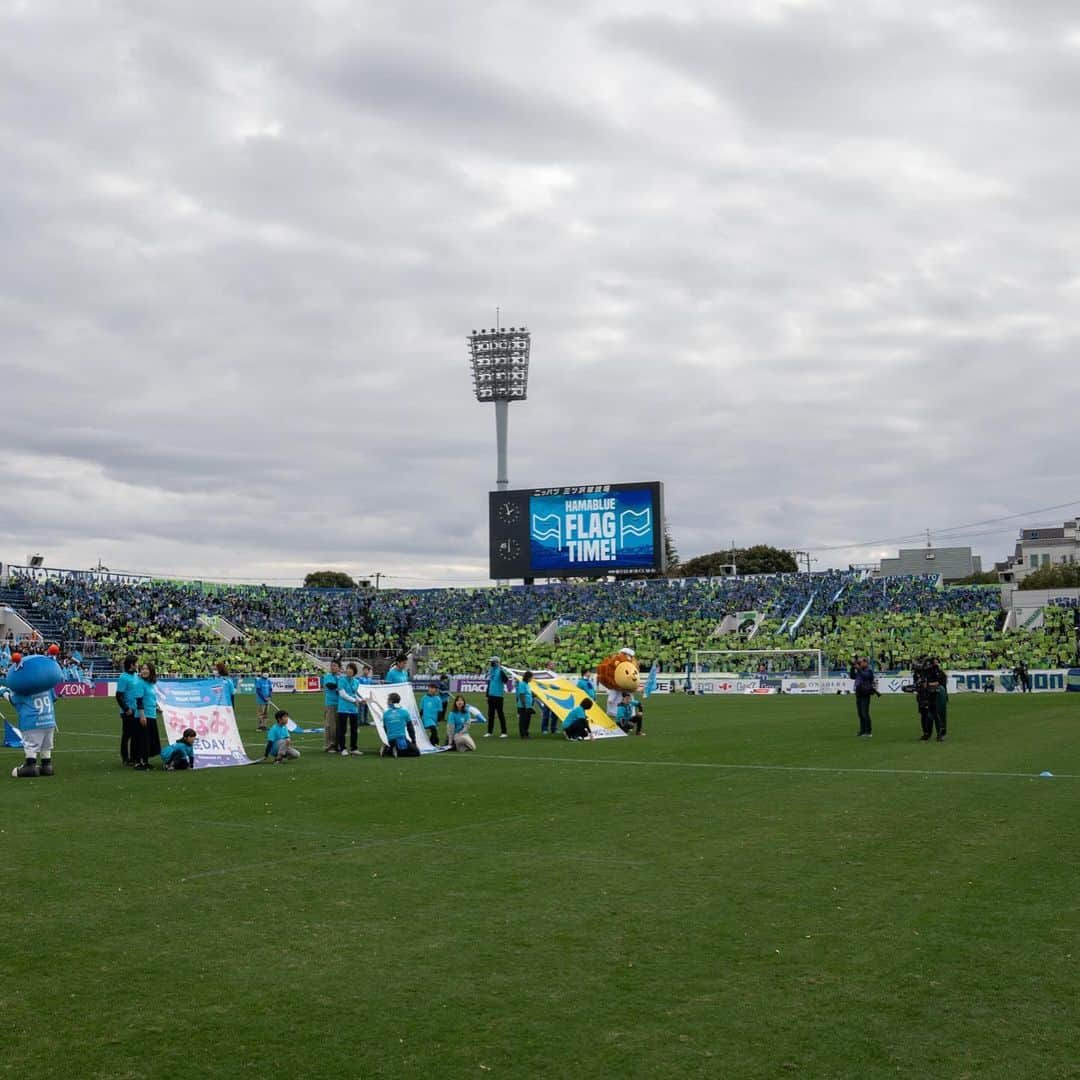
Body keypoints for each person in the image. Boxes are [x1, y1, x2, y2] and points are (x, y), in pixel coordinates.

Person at [914, 656, 949, 742]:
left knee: (937, 715)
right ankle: (927, 733)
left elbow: (939, 683)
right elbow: (918, 684)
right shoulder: (921, 673)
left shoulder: (937, 672)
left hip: (937, 696)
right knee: (925, 715)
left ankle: (940, 734)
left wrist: (928, 685)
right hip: (925, 696)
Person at [136, 661, 163, 767]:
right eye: (142, 669)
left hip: (151, 714)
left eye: (146, 669)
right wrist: (142, 715)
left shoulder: (150, 684)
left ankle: (145, 761)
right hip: (144, 715)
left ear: (151, 671)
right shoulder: (140, 683)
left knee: (149, 739)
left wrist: (157, 708)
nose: (144, 671)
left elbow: (150, 698)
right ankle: (141, 762)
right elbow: (139, 700)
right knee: (144, 740)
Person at [116, 654, 140, 767]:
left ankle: (134, 757)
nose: (138, 665)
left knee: (136, 735)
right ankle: (125, 758)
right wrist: (126, 709)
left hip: (136, 710)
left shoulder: (135, 675)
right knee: (127, 735)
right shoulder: (123, 677)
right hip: (128, 711)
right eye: (137, 663)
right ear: (132, 664)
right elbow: (119, 695)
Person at [334, 663, 363, 755]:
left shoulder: (356, 682)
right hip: (343, 708)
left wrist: (361, 700)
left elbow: (354, 694)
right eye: (348, 668)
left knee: (354, 729)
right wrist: (354, 700)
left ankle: (354, 748)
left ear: (354, 671)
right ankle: (343, 748)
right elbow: (342, 694)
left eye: (351, 669)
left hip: (353, 709)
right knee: (342, 729)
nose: (349, 670)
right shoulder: (341, 680)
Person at [380, 692, 419, 757]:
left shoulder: (385, 714)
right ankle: (394, 751)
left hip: (391, 740)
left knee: (400, 747)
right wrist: (414, 741)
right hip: (401, 739)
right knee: (416, 752)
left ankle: (390, 748)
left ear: (391, 701)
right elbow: (410, 728)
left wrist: (389, 737)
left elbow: (385, 728)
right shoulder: (404, 712)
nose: (387, 702)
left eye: (388, 700)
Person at [848, 656, 879, 737]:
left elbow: (865, 676)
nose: (859, 664)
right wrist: (852, 667)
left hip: (865, 693)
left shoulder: (869, 671)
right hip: (858, 693)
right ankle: (862, 731)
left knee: (865, 713)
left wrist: (858, 668)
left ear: (865, 662)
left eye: (860, 662)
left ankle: (868, 731)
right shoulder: (860, 670)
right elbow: (852, 676)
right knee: (860, 713)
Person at [484, 656, 509, 739]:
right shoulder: (491, 671)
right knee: (490, 714)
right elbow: (490, 683)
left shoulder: (500, 671)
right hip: (491, 695)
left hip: (498, 696)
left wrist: (501, 670)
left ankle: (504, 732)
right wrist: (487, 695)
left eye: (492, 662)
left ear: (496, 662)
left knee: (500, 714)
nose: (491, 663)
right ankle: (489, 732)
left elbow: (506, 680)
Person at [322, 659, 341, 753]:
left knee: (338, 726)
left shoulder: (340, 677)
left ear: (339, 668)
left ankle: (337, 745)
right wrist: (340, 685)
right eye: (332, 665)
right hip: (330, 704)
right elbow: (330, 685)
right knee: (330, 725)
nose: (332, 667)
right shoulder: (328, 676)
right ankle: (329, 745)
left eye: (335, 666)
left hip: (340, 704)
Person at [515, 670, 535, 738]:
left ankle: (526, 733)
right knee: (523, 720)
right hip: (523, 706)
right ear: (528, 677)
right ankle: (523, 734)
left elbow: (528, 694)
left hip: (528, 705)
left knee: (527, 720)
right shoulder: (522, 683)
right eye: (531, 678)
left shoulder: (527, 684)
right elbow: (521, 695)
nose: (532, 679)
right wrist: (524, 705)